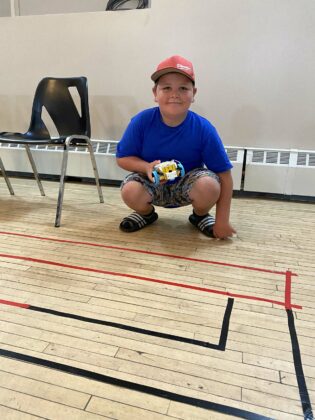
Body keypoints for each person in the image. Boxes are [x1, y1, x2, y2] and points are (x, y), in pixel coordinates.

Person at [116, 55, 236, 239]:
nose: (175, 94)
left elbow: (225, 176)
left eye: (183, 88)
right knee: (130, 190)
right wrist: (145, 167)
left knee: (209, 185)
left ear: (193, 94)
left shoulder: (204, 129)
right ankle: (146, 214)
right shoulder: (141, 121)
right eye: (166, 88)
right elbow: (123, 158)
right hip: (152, 182)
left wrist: (222, 221)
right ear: (155, 93)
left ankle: (200, 216)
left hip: (188, 185)